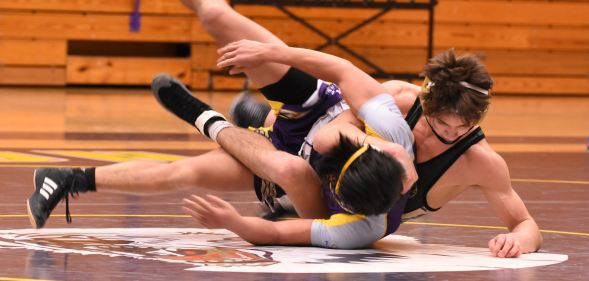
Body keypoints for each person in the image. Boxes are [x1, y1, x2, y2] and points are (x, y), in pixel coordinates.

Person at [26, 0, 418, 250]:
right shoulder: (392, 138)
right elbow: (347, 71)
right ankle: (236, 118)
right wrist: (272, 52)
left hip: (288, 163)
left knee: (190, 173)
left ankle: (68, 177)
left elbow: (282, 234)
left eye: (337, 193)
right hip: (314, 108)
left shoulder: (359, 229)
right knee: (216, 15)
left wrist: (234, 223)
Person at [211, 40, 543, 257]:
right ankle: (259, 119)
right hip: (326, 161)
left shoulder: (480, 161)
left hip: (364, 209)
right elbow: (331, 126)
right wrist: (272, 53)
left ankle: (255, 120)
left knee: (336, 227)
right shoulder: (399, 101)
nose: (450, 134)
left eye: (463, 128)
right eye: (441, 124)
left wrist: (519, 241)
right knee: (293, 139)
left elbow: (526, 224)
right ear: (426, 104)